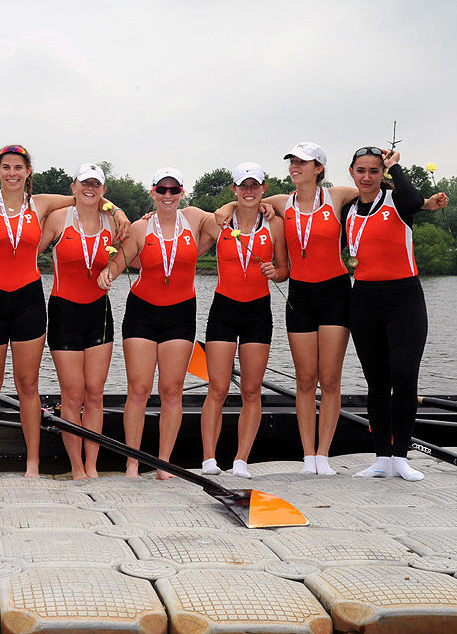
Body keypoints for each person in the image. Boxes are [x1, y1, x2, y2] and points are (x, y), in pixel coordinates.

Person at [0, 144, 128, 479]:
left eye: (19, 167)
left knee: (28, 385)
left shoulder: (41, 204)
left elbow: (85, 198)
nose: (12, 173)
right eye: (6, 167)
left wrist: (116, 211)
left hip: (28, 300)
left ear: (28, 171)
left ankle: (33, 464)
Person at [216, 142, 356, 475]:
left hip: (336, 292)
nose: (295, 167)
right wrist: (222, 208)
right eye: (292, 161)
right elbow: (245, 201)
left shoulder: (337, 196)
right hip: (300, 296)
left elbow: (375, 188)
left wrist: (420, 201)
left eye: (302, 162)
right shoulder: (281, 203)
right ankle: (308, 456)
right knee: (306, 379)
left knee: (330, 379)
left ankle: (324, 454)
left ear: (318, 168)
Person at [98, 168, 217, 479]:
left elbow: (226, 213)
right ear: (152, 192)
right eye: (161, 190)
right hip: (142, 313)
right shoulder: (140, 228)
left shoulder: (194, 219)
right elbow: (117, 263)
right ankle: (133, 462)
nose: (167, 195)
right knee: (138, 389)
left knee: (172, 390)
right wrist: (105, 274)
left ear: (181, 193)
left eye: (173, 190)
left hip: (180, 313)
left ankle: (164, 464)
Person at [344, 147, 447, 480]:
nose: (367, 177)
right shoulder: (346, 208)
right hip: (363, 300)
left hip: (404, 299)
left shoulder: (397, 202)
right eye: (361, 170)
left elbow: (417, 199)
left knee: (404, 378)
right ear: (352, 172)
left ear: (381, 174)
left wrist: (395, 168)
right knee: (376, 381)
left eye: (374, 171)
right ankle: (381, 457)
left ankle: (401, 456)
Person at [198, 163, 288, 478]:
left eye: (255, 185)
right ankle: (209, 459)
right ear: (234, 190)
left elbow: (284, 269)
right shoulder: (217, 223)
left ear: (263, 188)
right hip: (224, 309)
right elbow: (185, 228)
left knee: (251, 390)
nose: (249, 191)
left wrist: (275, 273)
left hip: (257, 312)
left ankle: (240, 461)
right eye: (243, 186)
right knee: (218, 388)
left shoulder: (274, 224)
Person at [38, 163, 117, 479]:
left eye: (96, 184)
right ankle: (76, 467)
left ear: (103, 191)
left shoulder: (112, 222)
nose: (90, 188)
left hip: (99, 314)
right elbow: (28, 255)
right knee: (72, 394)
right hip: (64, 312)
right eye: (85, 183)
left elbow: (131, 254)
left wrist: (112, 271)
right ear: (73, 186)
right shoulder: (58, 219)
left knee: (95, 393)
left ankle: (93, 466)